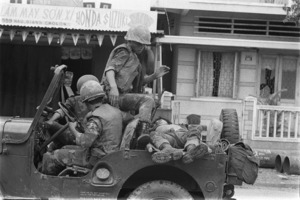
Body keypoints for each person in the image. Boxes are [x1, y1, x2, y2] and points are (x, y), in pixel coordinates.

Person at [41, 80, 131, 175]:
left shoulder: (96, 119)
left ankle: (46, 186)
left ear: (86, 102)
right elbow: (129, 118)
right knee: (65, 147)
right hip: (109, 153)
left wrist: (73, 129)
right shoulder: (116, 111)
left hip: (97, 159)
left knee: (51, 156)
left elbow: (84, 143)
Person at [101, 25, 169, 147]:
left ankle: (137, 133)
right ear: (130, 41)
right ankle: (141, 133)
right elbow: (110, 70)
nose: (141, 47)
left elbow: (140, 82)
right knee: (148, 100)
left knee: (147, 103)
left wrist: (154, 75)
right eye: (139, 44)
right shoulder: (124, 51)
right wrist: (113, 88)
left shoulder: (134, 58)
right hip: (114, 96)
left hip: (122, 96)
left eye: (143, 45)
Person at [45, 75, 100, 151]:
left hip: (81, 136)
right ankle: (56, 145)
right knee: (51, 125)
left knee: (52, 126)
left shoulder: (100, 103)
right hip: (79, 132)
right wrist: (51, 120)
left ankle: (56, 148)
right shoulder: (75, 100)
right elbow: (63, 110)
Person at [147, 118, 212, 164]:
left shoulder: (178, 125)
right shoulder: (155, 129)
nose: (159, 122)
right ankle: (168, 149)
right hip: (168, 137)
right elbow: (152, 138)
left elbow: (193, 134)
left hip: (183, 136)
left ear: (166, 122)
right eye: (158, 122)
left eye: (161, 120)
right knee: (153, 134)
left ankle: (191, 150)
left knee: (195, 130)